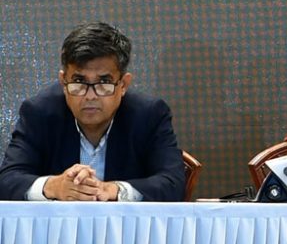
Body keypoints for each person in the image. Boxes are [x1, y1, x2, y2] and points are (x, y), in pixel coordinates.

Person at [0, 21, 185, 201]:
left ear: (123, 85)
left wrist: (114, 189)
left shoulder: (149, 115)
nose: (90, 96)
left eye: (104, 82)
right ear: (63, 82)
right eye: (79, 82)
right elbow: (7, 180)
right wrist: (54, 186)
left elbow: (173, 184)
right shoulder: (40, 112)